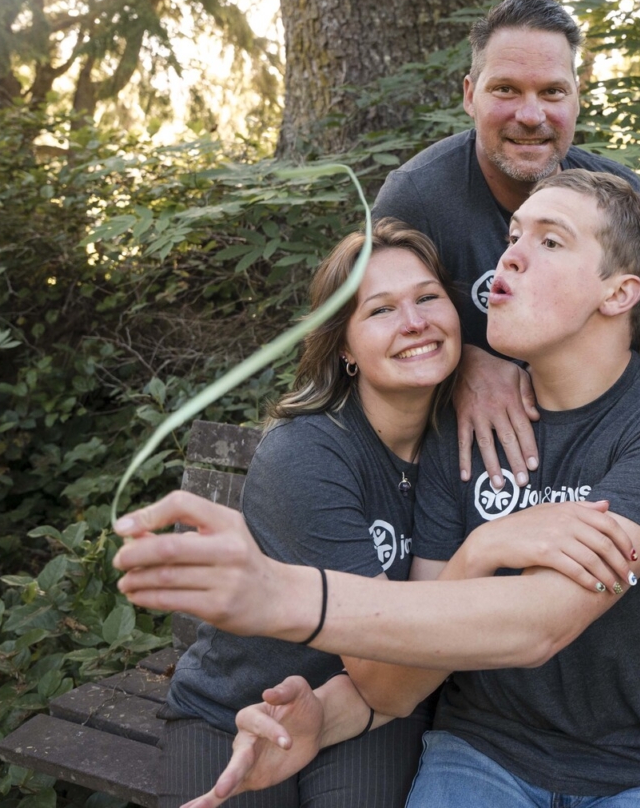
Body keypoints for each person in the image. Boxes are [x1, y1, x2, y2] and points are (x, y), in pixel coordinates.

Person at [115, 171, 640, 808]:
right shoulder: (458, 432)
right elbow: (398, 682)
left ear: (619, 292)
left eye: (550, 242)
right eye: (513, 237)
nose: (510, 256)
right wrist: (485, 547)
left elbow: (542, 624)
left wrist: (280, 596)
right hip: (481, 752)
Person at [156, 219, 463, 808]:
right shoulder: (307, 454)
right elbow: (394, 640)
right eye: (381, 310)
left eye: (428, 297)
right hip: (239, 707)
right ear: (344, 346)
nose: (414, 321)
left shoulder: (460, 443)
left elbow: (388, 680)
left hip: (372, 704)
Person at [374, 0, 640, 492]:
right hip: (452, 469)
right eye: (506, 89)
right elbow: (366, 326)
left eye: (553, 92)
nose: (531, 114)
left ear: (577, 96)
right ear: (469, 95)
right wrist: (461, 364)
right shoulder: (418, 200)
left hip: (596, 459)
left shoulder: (620, 200)